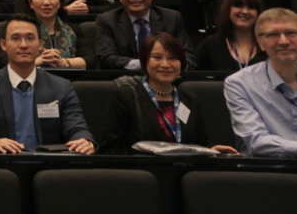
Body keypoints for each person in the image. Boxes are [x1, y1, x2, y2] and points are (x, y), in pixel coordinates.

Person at [0, 15, 95, 154]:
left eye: (30, 38)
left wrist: (83, 139)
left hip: (48, 167)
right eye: (15, 38)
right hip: (2, 164)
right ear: (3, 44)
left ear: (40, 45)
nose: (23, 45)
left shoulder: (61, 87)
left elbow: (76, 127)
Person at [100, 33, 238, 154]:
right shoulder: (128, 95)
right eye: (157, 57)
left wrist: (211, 150)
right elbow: (112, 147)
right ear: (145, 62)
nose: (165, 64)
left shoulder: (188, 99)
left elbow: (199, 144)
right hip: (142, 174)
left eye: (172, 58)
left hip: (183, 173)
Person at [225, 8, 297, 158]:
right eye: (273, 35)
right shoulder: (239, 84)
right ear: (260, 43)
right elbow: (255, 141)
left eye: (291, 33)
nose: (283, 41)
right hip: (273, 173)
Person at [95, 0, 192, 70]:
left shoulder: (172, 18)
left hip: (166, 76)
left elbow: (188, 56)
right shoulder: (107, 20)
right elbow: (106, 57)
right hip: (125, 79)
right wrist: (146, 65)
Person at [196, 0, 265, 73]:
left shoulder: (268, 44)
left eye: (251, 7)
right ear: (228, 10)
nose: (245, 11)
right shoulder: (209, 45)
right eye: (238, 6)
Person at [27, 0, 91, 69]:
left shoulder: (72, 29)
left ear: (60, 2)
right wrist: (38, 61)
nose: (46, 2)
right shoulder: (19, 29)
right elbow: (6, 61)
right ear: (30, 3)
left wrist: (64, 62)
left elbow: (90, 60)